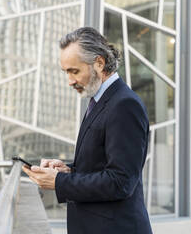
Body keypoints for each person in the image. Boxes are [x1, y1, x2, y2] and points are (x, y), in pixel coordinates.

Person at [22, 27, 153, 234]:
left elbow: (121, 182)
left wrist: (59, 182)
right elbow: (103, 165)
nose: (70, 81)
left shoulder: (124, 105)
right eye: (66, 72)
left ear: (99, 64)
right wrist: (69, 170)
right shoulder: (100, 100)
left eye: (75, 71)